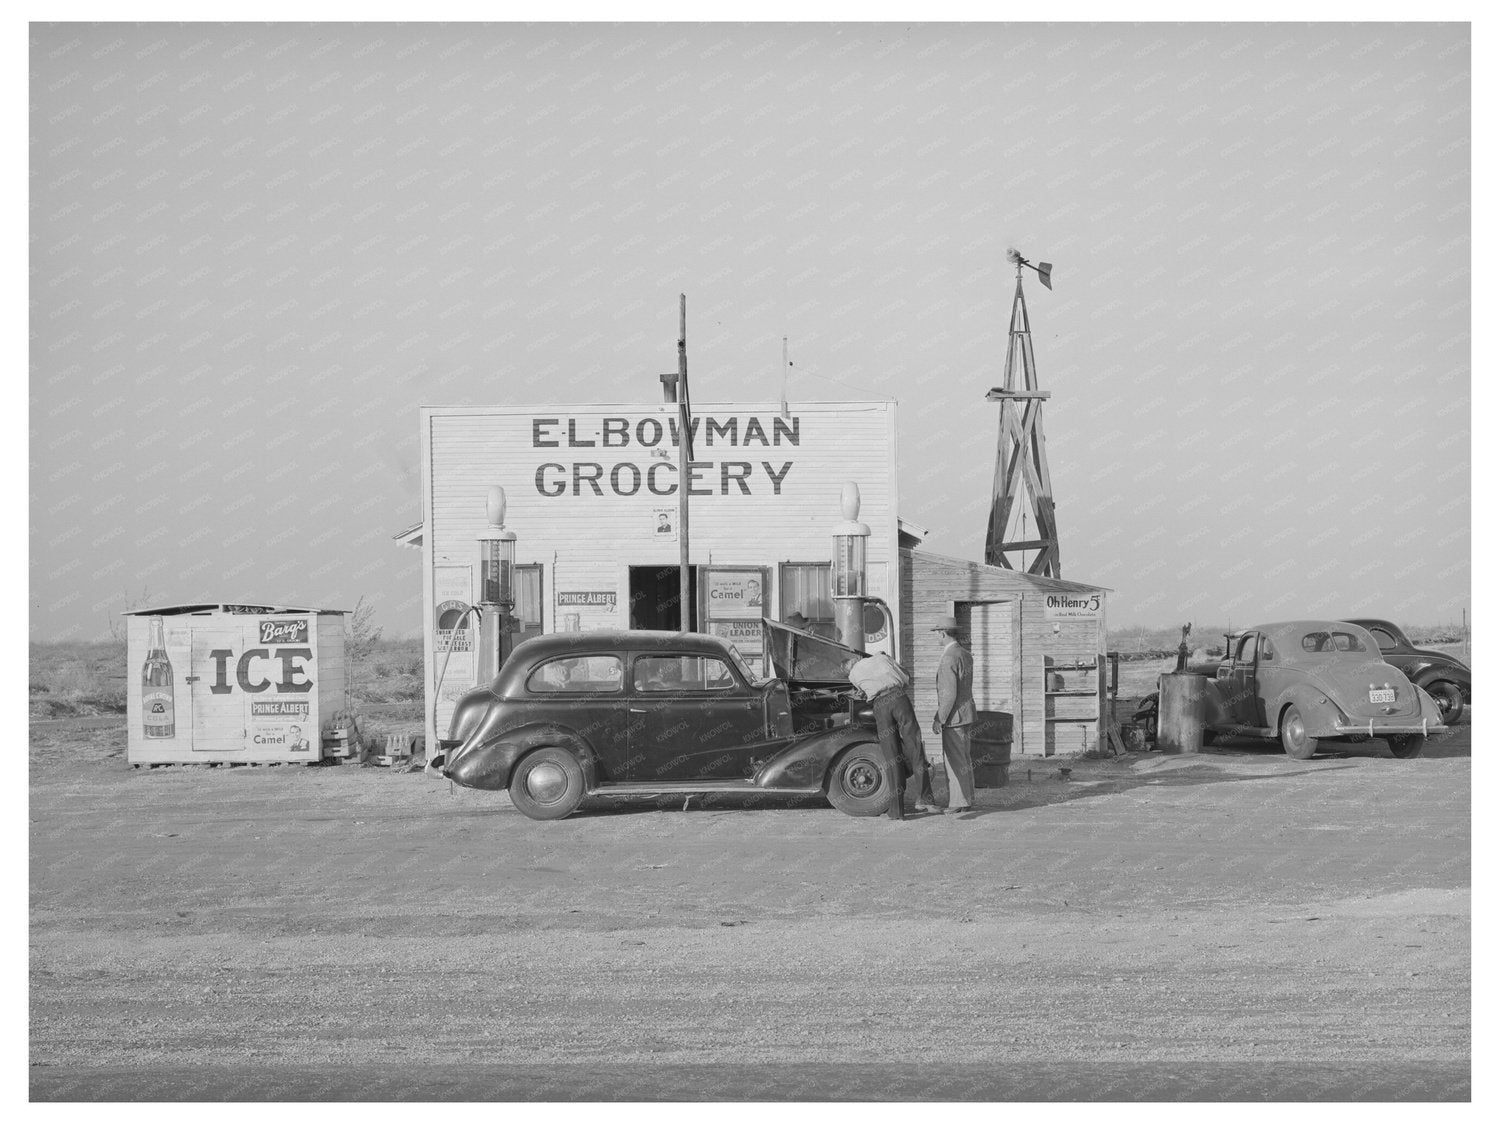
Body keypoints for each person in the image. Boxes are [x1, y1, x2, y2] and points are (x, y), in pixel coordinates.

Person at [846, 651, 935, 821]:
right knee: (915, 747)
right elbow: (906, 677)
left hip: (880, 705)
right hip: (899, 698)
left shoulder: (853, 675)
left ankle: (896, 811)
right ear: (860, 658)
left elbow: (862, 694)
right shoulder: (881, 657)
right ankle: (925, 799)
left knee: (892, 757)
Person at [931, 615, 977, 814]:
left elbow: (949, 694)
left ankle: (959, 802)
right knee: (964, 759)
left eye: (937, 634)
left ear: (943, 633)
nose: (936, 638)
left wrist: (939, 718)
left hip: (954, 717)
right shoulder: (965, 654)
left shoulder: (949, 657)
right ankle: (966, 799)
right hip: (966, 713)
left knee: (955, 760)